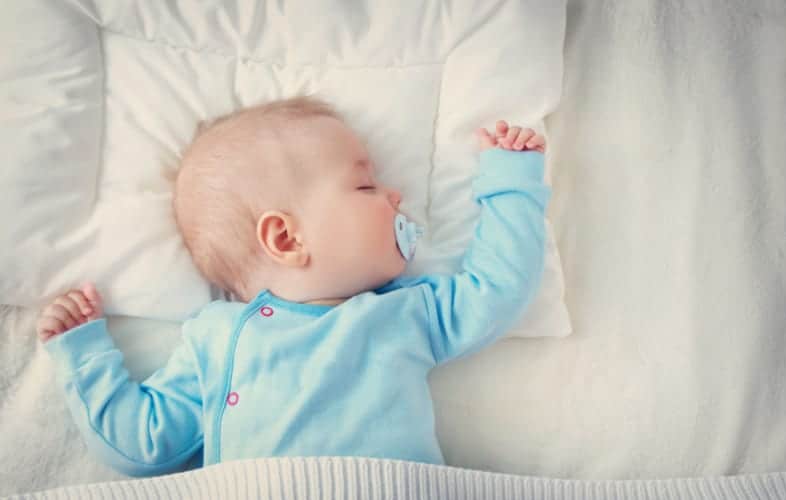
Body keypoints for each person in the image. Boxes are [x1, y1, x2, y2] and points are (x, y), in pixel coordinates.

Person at [36, 95, 551, 477]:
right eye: (366, 185)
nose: (396, 195)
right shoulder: (218, 338)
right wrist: (84, 353)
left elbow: (499, 286)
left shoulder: (406, 311)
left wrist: (511, 182)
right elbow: (143, 444)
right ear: (285, 236)